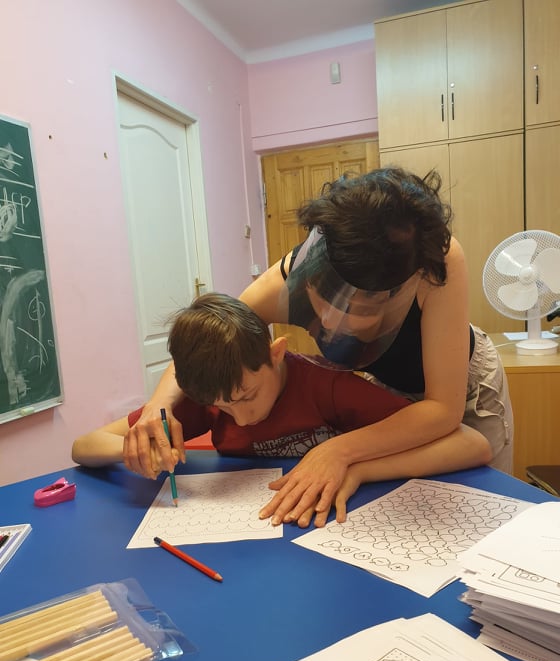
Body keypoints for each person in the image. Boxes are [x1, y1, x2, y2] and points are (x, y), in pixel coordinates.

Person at [123, 167, 512, 525]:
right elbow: (213, 339)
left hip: (460, 389)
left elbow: (443, 412)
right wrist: (158, 405)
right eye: (326, 298)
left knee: (475, 507)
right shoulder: (285, 279)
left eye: (364, 309)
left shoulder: (435, 260)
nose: (333, 321)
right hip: (384, 390)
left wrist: (339, 452)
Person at [73, 293, 492, 527]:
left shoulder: (327, 387)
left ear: (275, 355)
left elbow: (472, 444)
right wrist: (137, 448)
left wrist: (358, 468)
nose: (240, 418)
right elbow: (83, 446)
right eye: (222, 407)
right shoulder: (213, 393)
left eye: (247, 396)